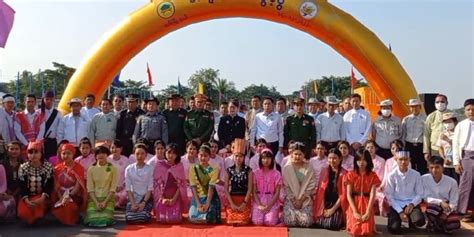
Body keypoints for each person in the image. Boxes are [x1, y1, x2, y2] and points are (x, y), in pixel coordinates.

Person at [385, 150, 425, 234]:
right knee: (394, 229)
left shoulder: (416, 174)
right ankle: (398, 219)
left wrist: (412, 204)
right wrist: (400, 211)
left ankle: (412, 220)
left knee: (419, 221)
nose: (403, 162)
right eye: (400, 159)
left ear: (409, 159)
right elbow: (389, 196)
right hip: (397, 203)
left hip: (411, 203)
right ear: (396, 160)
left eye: (406, 159)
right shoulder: (391, 175)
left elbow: (420, 193)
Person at [344, 148, 381, 236]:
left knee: (366, 231)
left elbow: (372, 195)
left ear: (368, 161)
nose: (361, 162)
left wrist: (368, 212)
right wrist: (355, 211)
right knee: (355, 231)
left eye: (364, 160)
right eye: (359, 160)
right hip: (354, 204)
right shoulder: (350, 174)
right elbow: (348, 194)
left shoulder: (373, 175)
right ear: (355, 161)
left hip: (367, 203)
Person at [17, 141, 54, 225]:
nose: (33, 155)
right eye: (30, 152)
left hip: (42, 197)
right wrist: (27, 200)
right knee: (23, 211)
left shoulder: (48, 167)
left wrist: (42, 198)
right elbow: (22, 187)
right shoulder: (23, 167)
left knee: (39, 208)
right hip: (27, 197)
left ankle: (40, 216)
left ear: (41, 153)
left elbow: (49, 186)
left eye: (36, 152)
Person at [422, 156, 461, 234]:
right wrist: (440, 202)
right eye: (431, 167)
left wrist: (445, 214)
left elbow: (454, 201)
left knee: (454, 225)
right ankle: (433, 223)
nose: (434, 170)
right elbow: (424, 197)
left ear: (443, 168)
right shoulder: (423, 179)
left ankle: (437, 225)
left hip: (447, 207)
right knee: (432, 209)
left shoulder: (452, 182)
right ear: (428, 168)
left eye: (437, 167)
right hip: (432, 206)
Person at [51, 143, 87, 226]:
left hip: (74, 194)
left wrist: (68, 196)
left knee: (70, 205)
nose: (66, 156)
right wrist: (61, 198)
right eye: (64, 153)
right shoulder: (57, 168)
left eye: (68, 153)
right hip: (60, 194)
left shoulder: (79, 167)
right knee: (60, 205)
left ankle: (72, 219)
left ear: (73, 154)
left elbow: (78, 186)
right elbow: (57, 186)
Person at [282, 142, 317, 227]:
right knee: (290, 222)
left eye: (300, 154)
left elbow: (311, 185)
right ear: (291, 154)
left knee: (306, 222)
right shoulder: (287, 168)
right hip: (291, 199)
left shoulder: (309, 167)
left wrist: (301, 200)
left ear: (304, 154)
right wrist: (294, 200)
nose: (297, 156)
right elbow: (286, 186)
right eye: (295, 154)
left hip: (305, 199)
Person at [313, 148, 348, 230]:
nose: (332, 160)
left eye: (334, 158)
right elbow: (320, 192)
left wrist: (332, 209)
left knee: (332, 224)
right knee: (318, 222)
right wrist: (323, 208)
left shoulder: (344, 173)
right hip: (325, 203)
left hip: (338, 205)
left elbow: (343, 195)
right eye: (330, 158)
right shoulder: (324, 170)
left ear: (340, 159)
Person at [153, 143, 188, 223]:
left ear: (177, 155)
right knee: (161, 219)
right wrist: (163, 198)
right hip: (162, 197)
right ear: (165, 153)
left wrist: (173, 199)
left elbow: (181, 185)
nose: (171, 155)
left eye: (174, 153)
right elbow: (157, 185)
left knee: (176, 219)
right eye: (169, 152)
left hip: (175, 196)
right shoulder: (159, 165)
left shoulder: (179, 166)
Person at [84, 146, 118, 227]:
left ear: (107, 155)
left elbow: (113, 188)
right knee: (91, 220)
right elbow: (90, 188)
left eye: (103, 153)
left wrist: (104, 202)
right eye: (98, 153)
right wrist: (96, 203)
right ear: (95, 156)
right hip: (94, 198)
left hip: (108, 198)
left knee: (106, 219)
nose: (101, 155)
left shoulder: (113, 168)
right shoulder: (91, 169)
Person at [452, 98, 474, 221]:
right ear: (465, 111)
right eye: (468, 110)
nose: (471, 112)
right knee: (465, 184)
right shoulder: (461, 125)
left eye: (473, 110)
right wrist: (456, 162)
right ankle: (462, 210)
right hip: (466, 156)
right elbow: (455, 144)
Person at [188, 145, 221, 224]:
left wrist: (207, 204)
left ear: (209, 157)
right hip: (198, 197)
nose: (203, 158)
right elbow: (193, 187)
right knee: (192, 217)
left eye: (205, 156)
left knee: (211, 216)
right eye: (201, 155)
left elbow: (211, 188)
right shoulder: (193, 168)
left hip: (210, 197)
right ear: (197, 155)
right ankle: (203, 218)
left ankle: (206, 218)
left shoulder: (214, 169)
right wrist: (199, 204)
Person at [224, 138, 252, 225]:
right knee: (231, 221)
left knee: (243, 221)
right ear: (233, 156)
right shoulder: (228, 170)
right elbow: (226, 189)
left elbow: (250, 189)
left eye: (241, 156)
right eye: (236, 156)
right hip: (232, 199)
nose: (238, 158)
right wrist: (232, 203)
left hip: (244, 199)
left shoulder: (249, 170)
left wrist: (244, 203)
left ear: (244, 157)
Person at [124, 143, 154, 224]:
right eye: (137, 154)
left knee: (143, 216)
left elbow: (150, 188)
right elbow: (128, 188)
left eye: (142, 153)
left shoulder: (150, 169)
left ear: (146, 155)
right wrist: (133, 203)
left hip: (146, 198)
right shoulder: (129, 169)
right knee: (129, 217)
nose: (140, 156)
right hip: (133, 198)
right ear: (134, 154)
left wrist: (143, 203)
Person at [252, 148, 282, 226]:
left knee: (270, 222)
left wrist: (270, 205)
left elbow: (277, 192)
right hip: (259, 200)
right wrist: (259, 205)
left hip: (271, 200)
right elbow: (254, 191)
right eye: (264, 158)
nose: (266, 160)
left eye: (268, 158)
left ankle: (275, 216)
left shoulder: (277, 173)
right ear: (260, 159)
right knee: (257, 222)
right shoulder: (255, 173)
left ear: (272, 159)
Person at [402, 99, 426, 174]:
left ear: (420, 107)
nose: (414, 108)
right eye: (412, 107)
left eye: (416, 106)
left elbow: (426, 135)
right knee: (409, 167)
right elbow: (403, 134)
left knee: (422, 167)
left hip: (420, 146)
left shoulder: (425, 119)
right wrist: (403, 148)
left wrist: (426, 150)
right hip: (409, 146)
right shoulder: (406, 119)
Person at [424, 94, 452, 159]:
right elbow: (426, 134)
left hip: (449, 148)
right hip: (435, 149)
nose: (440, 103)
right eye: (437, 102)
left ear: (447, 103)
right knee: (436, 168)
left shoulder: (453, 115)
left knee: (448, 168)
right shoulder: (431, 116)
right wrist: (426, 151)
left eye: (442, 101)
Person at [36, 91, 62, 159]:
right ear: (43, 99)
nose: (49, 101)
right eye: (47, 99)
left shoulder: (58, 113)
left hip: (52, 143)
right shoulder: (38, 112)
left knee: (52, 161)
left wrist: (59, 144)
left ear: (54, 99)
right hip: (39, 142)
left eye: (51, 99)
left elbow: (59, 130)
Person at [107, 140, 132, 209]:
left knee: (125, 196)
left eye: (116, 147)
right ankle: (116, 204)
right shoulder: (107, 160)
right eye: (112, 147)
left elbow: (128, 175)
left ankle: (118, 204)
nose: (114, 150)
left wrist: (122, 186)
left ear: (121, 149)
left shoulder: (126, 160)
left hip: (123, 186)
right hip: (110, 186)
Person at [436, 112, 459, 182]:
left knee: (457, 181)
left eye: (449, 122)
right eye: (445, 122)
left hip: (457, 163)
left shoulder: (458, 133)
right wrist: (443, 158)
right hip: (446, 163)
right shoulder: (443, 134)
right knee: (447, 181)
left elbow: (458, 145)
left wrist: (448, 140)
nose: (447, 124)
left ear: (454, 122)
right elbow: (440, 147)